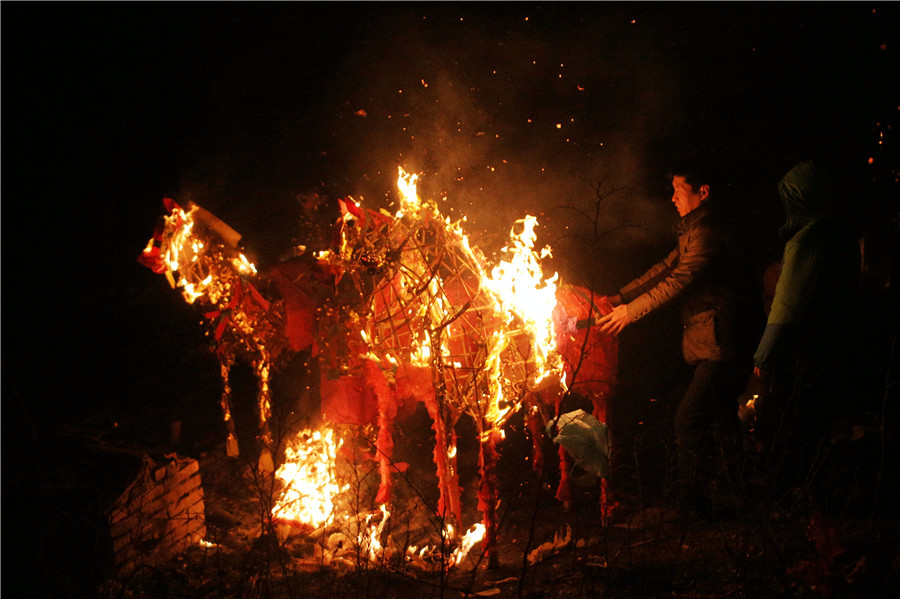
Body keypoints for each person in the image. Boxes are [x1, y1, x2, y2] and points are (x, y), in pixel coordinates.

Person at [598, 158, 761, 519]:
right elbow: (665, 268)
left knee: (689, 418)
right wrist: (617, 298)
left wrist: (631, 312)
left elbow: (679, 280)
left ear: (703, 192)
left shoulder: (710, 232)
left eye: (678, 190)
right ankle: (742, 499)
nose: (672, 198)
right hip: (711, 340)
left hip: (725, 338)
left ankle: (693, 505)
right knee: (720, 419)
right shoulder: (694, 231)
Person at [737, 160, 861, 507]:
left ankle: (786, 501)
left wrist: (763, 356)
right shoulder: (844, 237)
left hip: (803, 353)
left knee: (789, 425)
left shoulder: (806, 241)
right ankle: (826, 500)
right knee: (821, 427)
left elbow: (787, 307)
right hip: (837, 349)